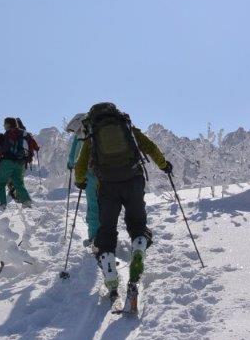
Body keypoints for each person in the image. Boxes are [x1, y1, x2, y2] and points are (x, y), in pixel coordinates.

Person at [74, 103, 172, 304]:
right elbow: (150, 147)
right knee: (137, 223)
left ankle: (110, 271)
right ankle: (138, 247)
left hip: (107, 186)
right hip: (133, 180)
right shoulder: (127, 127)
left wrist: (80, 181)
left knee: (107, 230)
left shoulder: (93, 133)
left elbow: (81, 164)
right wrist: (164, 165)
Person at [65, 113, 99, 249]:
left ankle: (94, 238)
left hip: (90, 175)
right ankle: (108, 236)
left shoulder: (81, 136)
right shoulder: (98, 132)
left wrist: (71, 166)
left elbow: (73, 157)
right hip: (110, 174)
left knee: (93, 208)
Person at [0, 117, 39, 209]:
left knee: (0, 182)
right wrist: (32, 152)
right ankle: (26, 201)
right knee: (18, 183)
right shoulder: (23, 132)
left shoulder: (8, 133)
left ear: (9, 124)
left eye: (5, 124)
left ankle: (1, 204)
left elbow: (6, 148)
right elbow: (34, 144)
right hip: (20, 162)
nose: (3, 125)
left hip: (7, 161)